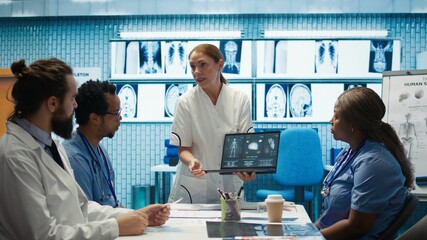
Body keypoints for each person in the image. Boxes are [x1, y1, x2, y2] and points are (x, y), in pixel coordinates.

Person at [0, 58, 170, 239]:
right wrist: (115, 227)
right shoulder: (15, 157)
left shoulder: (50, 146)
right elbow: (43, 236)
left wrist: (134, 215)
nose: (76, 105)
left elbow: (80, 208)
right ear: (52, 103)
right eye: (72, 98)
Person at [315, 87, 414, 240]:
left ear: (353, 123)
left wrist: (309, 238)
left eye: (336, 115)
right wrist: (306, 233)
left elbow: (357, 226)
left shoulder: (373, 163)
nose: (330, 120)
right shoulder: (351, 152)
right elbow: (328, 218)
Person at [168, 43, 256, 204]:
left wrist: (248, 169)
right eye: (193, 66)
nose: (196, 72)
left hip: (230, 183)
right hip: (195, 186)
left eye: (203, 65)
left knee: (232, 228)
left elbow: (245, 147)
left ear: (220, 65)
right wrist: (192, 161)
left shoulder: (240, 99)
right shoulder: (185, 102)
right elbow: (183, 149)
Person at [63, 80, 122, 208]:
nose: (120, 118)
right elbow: (86, 215)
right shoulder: (74, 159)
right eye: (116, 113)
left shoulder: (100, 150)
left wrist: (139, 215)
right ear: (94, 118)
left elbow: (112, 203)